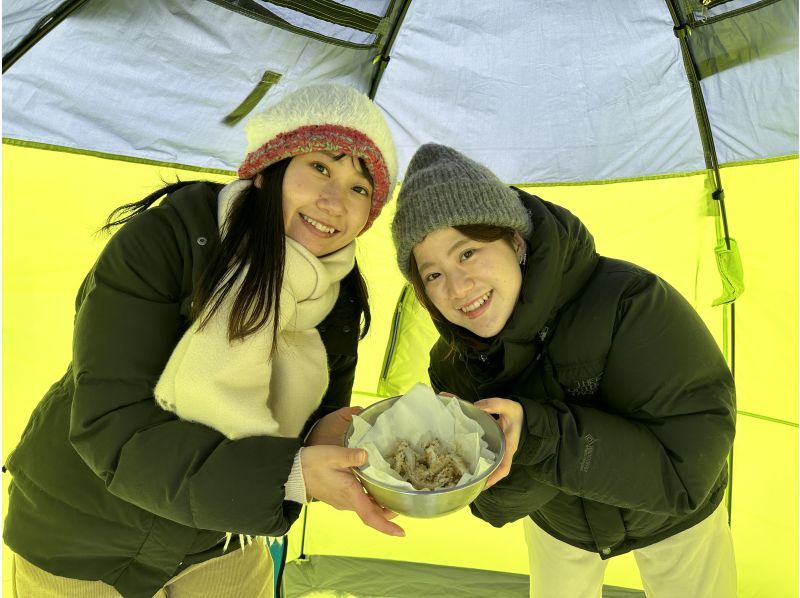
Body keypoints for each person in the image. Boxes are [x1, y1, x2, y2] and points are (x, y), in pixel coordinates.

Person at [3, 83, 405, 598]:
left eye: (360, 189)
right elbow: (114, 429)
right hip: (82, 532)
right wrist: (289, 472)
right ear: (268, 169)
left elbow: (302, 433)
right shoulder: (166, 241)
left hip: (219, 535)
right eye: (322, 168)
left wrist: (346, 434)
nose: (333, 202)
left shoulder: (336, 295)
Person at [390, 143, 737, 597]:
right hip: (562, 526)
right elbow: (492, 506)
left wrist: (538, 435)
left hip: (676, 522)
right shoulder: (454, 365)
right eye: (432, 275)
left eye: (468, 253)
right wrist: (465, 463)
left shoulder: (631, 304)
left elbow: (685, 474)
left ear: (514, 240)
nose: (457, 287)